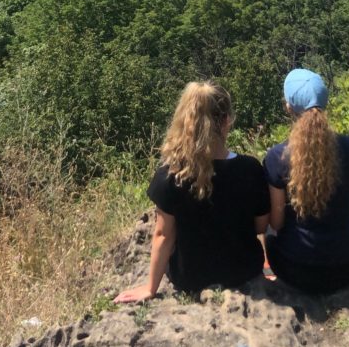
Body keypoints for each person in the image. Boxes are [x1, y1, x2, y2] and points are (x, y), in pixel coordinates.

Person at [115, 81, 270, 303]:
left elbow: (163, 236)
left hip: (189, 278)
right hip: (243, 272)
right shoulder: (250, 169)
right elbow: (261, 226)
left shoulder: (171, 176)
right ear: (227, 121)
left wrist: (150, 288)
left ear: (186, 121)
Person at [263, 68, 349, 294]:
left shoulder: (277, 157)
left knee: (266, 234)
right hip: (346, 268)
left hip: (294, 270)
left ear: (288, 107)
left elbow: (276, 223)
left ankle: (268, 276)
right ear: (326, 102)